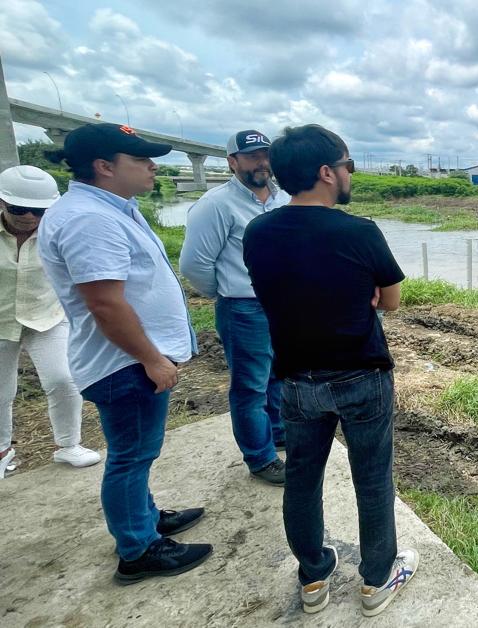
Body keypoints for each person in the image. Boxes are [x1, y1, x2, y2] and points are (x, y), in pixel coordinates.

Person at [243, 125, 417, 616]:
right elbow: (394, 301)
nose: (349, 174)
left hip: (297, 380)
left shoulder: (258, 232)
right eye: (348, 165)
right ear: (326, 172)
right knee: (373, 477)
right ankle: (377, 580)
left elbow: (272, 295)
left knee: (302, 478)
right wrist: (361, 296)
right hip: (363, 375)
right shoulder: (357, 230)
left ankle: (314, 578)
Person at [37, 123, 211, 584]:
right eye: (141, 160)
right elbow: (104, 303)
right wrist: (152, 358)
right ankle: (138, 548)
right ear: (104, 166)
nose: (153, 167)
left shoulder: (111, 208)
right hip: (125, 362)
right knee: (131, 456)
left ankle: (146, 518)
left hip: (131, 359)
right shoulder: (88, 219)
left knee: (137, 453)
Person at [179, 130, 289, 486]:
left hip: (281, 305)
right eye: (253, 156)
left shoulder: (281, 198)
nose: (262, 163)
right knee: (250, 387)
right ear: (233, 162)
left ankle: (278, 432)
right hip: (244, 309)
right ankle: (260, 457)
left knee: (278, 374)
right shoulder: (216, 204)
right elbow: (195, 265)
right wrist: (228, 292)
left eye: (266, 155)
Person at [0, 165, 101, 478]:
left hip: (48, 315)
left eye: (39, 210)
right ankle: (2, 449)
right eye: (19, 209)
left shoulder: (57, 229)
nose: (30, 217)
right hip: (1, 318)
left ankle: (68, 445)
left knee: (62, 378)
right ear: (2, 203)